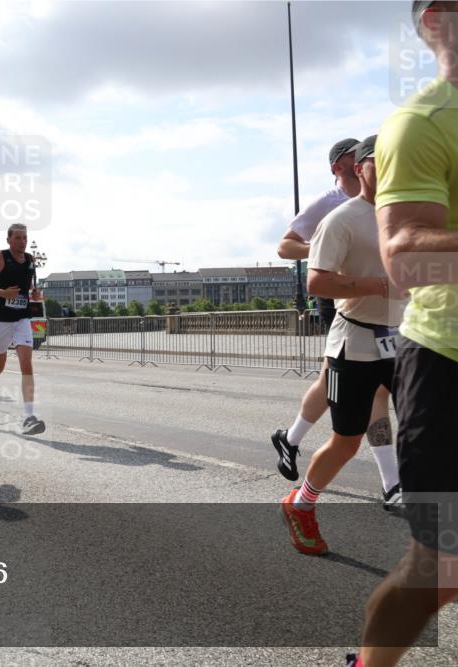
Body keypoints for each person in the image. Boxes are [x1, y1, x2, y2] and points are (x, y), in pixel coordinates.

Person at [354, 4, 458, 664]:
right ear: (435, 20)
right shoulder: (422, 121)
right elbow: (407, 257)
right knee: (441, 567)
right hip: (448, 360)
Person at [279, 135, 407, 558]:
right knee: (347, 441)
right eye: (378, 162)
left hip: (402, 339)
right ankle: (302, 503)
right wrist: (373, 285)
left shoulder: (404, 216)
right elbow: (317, 281)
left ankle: (405, 490)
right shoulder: (342, 218)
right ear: (359, 168)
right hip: (354, 343)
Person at [0, 224, 46, 435]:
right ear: (8, 240)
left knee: (27, 365)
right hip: (0, 320)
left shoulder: (31, 261)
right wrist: (2, 293)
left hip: (22, 319)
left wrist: (35, 294)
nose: (22, 242)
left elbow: (30, 288)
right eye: (17, 238)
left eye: (25, 238)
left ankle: (28, 417)